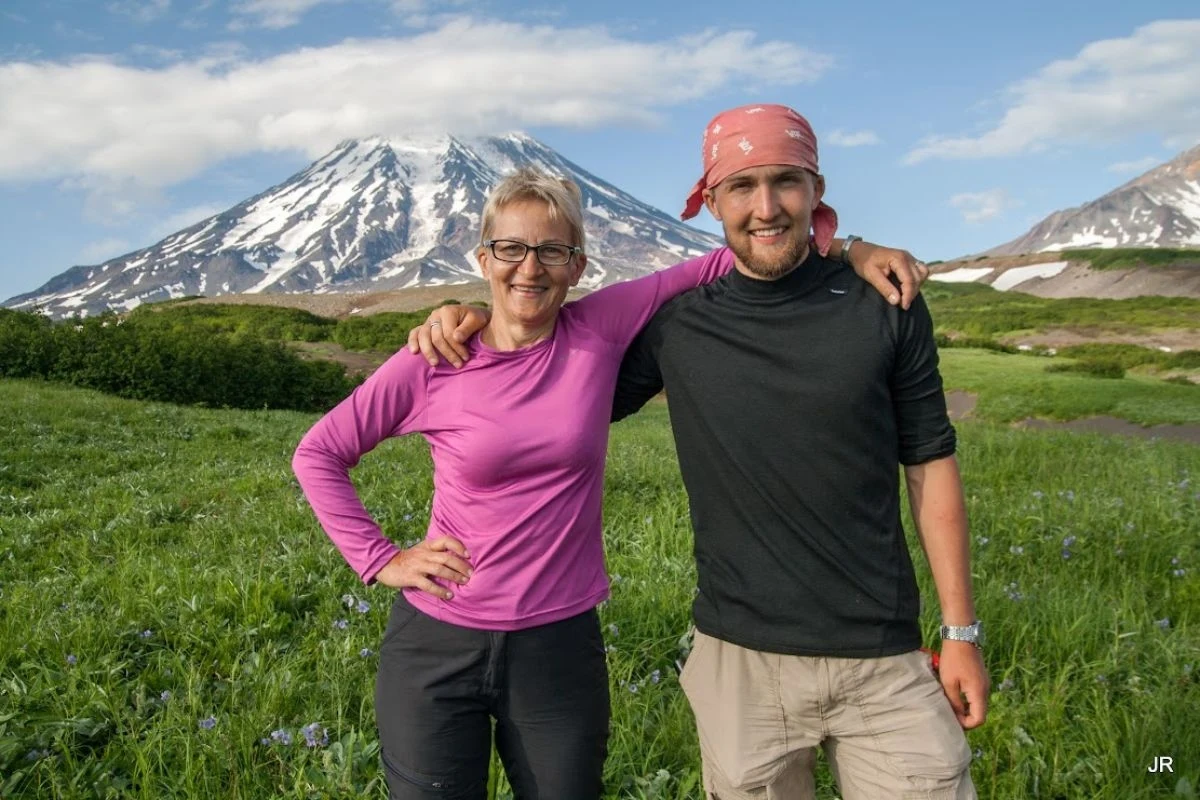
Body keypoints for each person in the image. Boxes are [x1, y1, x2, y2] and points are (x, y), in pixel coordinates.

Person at [412, 105, 987, 800]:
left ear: (816, 189)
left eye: (786, 181)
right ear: (711, 200)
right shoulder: (678, 324)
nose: (766, 207)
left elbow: (930, 461)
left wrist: (960, 631)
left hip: (885, 659)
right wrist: (480, 320)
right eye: (742, 186)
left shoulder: (885, 304)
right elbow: (551, 379)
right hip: (740, 664)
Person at [294, 167, 924, 799]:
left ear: (578, 266)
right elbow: (319, 453)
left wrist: (850, 248)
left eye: (552, 251)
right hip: (436, 641)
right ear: (484, 259)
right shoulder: (437, 358)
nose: (529, 268)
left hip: (558, 645)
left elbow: (732, 257)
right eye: (511, 248)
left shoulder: (599, 327)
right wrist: (382, 560)